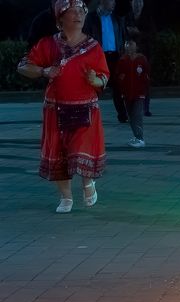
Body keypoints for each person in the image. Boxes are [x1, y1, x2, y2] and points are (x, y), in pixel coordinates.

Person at [17, 0, 109, 213]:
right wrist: (43, 71)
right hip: (56, 109)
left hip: (85, 108)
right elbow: (24, 66)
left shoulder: (93, 47)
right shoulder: (48, 44)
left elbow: (104, 78)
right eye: (72, 12)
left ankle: (88, 183)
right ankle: (66, 198)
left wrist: (94, 80)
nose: (78, 15)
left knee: (81, 150)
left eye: (81, 11)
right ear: (60, 19)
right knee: (59, 154)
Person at [84, 0, 128, 123]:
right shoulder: (91, 18)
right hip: (99, 56)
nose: (114, 3)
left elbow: (123, 35)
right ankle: (88, 114)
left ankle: (123, 115)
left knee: (118, 86)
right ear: (103, 2)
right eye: (111, 1)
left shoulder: (117, 18)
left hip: (115, 56)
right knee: (96, 87)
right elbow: (86, 37)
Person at [116, 39, 150, 147]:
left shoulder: (141, 59)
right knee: (131, 116)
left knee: (137, 115)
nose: (129, 49)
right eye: (127, 47)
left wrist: (145, 90)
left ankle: (140, 138)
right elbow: (118, 76)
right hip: (127, 94)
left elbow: (147, 75)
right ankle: (136, 137)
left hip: (139, 94)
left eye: (131, 46)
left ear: (135, 47)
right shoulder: (122, 60)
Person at [125, 0, 155, 115]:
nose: (137, 5)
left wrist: (139, 33)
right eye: (134, 2)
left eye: (139, 2)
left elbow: (152, 33)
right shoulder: (127, 15)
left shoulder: (147, 15)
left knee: (144, 81)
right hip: (130, 54)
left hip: (144, 54)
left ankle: (145, 108)